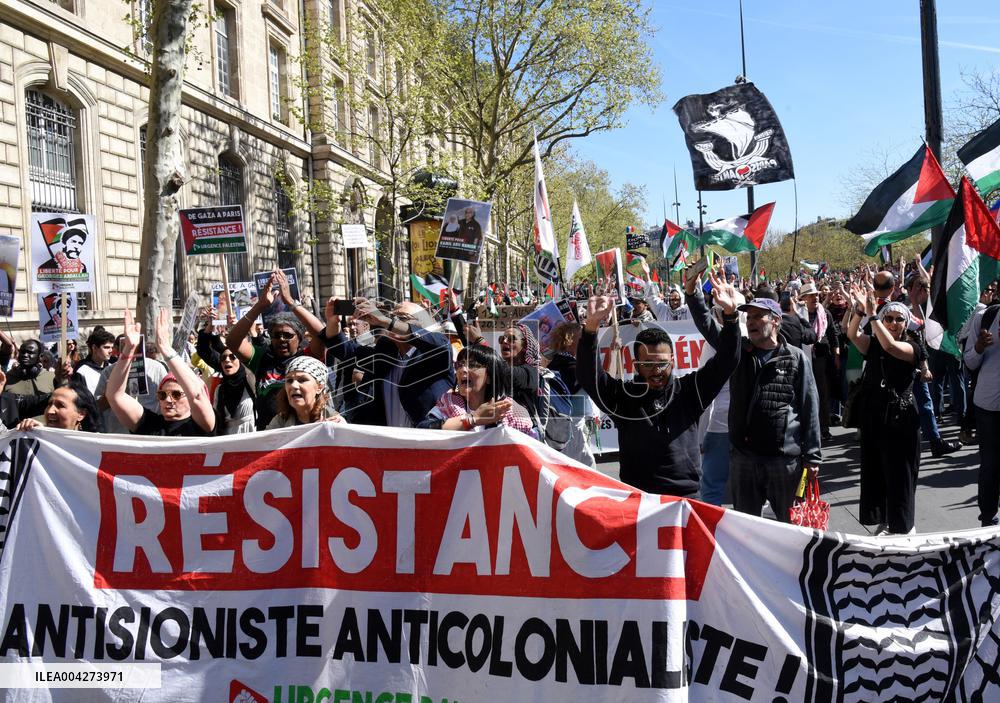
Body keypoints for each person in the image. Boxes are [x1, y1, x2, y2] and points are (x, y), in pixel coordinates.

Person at [578, 269, 741, 496]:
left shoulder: (690, 391)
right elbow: (590, 377)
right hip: (639, 499)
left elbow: (727, 360)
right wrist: (591, 328)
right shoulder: (624, 397)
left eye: (662, 364)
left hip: (686, 499)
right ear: (635, 365)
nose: (656, 371)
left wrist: (732, 316)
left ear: (673, 362)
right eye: (648, 364)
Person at [688, 280, 821, 524]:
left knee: (791, 528)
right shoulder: (738, 352)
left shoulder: (796, 358)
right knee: (747, 531)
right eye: (748, 317)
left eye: (759, 316)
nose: (751, 321)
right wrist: (692, 294)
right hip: (744, 460)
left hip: (784, 462)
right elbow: (708, 327)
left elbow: (809, 407)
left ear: (776, 321)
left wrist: (813, 456)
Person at [847, 293, 922, 535]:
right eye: (887, 318)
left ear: (906, 323)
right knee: (876, 471)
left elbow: (891, 346)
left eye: (898, 319)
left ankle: (903, 527)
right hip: (874, 418)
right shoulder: (874, 343)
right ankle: (885, 521)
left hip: (901, 422)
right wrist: (859, 311)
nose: (892, 323)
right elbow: (852, 335)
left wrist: (872, 315)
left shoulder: (912, 347)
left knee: (899, 474)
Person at [322, 296, 454, 427]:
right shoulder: (385, 353)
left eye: (402, 317)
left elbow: (438, 343)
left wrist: (385, 321)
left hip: (428, 442)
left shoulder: (437, 353)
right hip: (388, 443)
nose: (393, 321)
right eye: (392, 316)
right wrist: (333, 321)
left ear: (423, 326)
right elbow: (345, 350)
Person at [227, 269, 327, 429]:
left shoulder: (308, 358)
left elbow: (321, 334)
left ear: (299, 338)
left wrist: (291, 303)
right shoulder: (262, 357)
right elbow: (232, 342)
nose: (281, 339)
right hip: (267, 434)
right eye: (276, 335)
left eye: (287, 335)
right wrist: (259, 307)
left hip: (302, 432)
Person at [106, 309, 216, 437]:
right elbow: (114, 396)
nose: (168, 400)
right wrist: (128, 349)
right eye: (162, 395)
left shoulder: (201, 425)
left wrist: (165, 348)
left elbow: (198, 395)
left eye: (176, 394)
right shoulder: (149, 424)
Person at [420, 345, 534, 436]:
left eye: (472, 365)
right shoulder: (448, 403)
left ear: (489, 377)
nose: (462, 370)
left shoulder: (512, 413)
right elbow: (422, 430)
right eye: (460, 365)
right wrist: (474, 418)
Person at [964, 289, 999, 526]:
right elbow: (969, 360)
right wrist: (978, 346)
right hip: (989, 406)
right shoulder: (984, 318)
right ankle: (988, 520)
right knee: (991, 465)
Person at [799, 282, 839, 441]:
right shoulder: (799, 314)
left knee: (822, 393)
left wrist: (836, 355)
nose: (814, 297)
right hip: (803, 358)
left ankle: (824, 426)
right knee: (805, 393)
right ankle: (807, 427)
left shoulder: (825, 313)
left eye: (816, 294)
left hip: (822, 359)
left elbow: (833, 334)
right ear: (803, 298)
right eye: (810, 295)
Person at [267, 355, 344, 428]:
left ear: (319, 387)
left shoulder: (335, 422)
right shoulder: (280, 421)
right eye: (289, 380)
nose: (294, 385)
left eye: (302, 380)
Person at [15, 376, 103, 433]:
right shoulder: (37, 437)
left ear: (81, 414)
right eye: (49, 404)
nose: (50, 411)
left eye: (61, 405)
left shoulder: (94, 448)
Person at [75, 327, 115, 395]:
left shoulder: (113, 368)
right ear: (94, 348)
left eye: (112, 347)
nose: (110, 351)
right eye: (106, 347)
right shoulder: (82, 372)